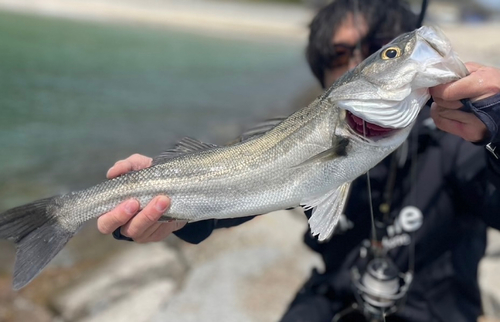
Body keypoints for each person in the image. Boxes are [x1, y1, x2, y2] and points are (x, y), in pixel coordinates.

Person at [97, 0, 500, 321]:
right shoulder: (317, 134)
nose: (357, 58)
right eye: (340, 54)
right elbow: (250, 188)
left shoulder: (462, 141)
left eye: (382, 46)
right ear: (327, 78)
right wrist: (177, 217)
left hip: (436, 309)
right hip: (331, 297)